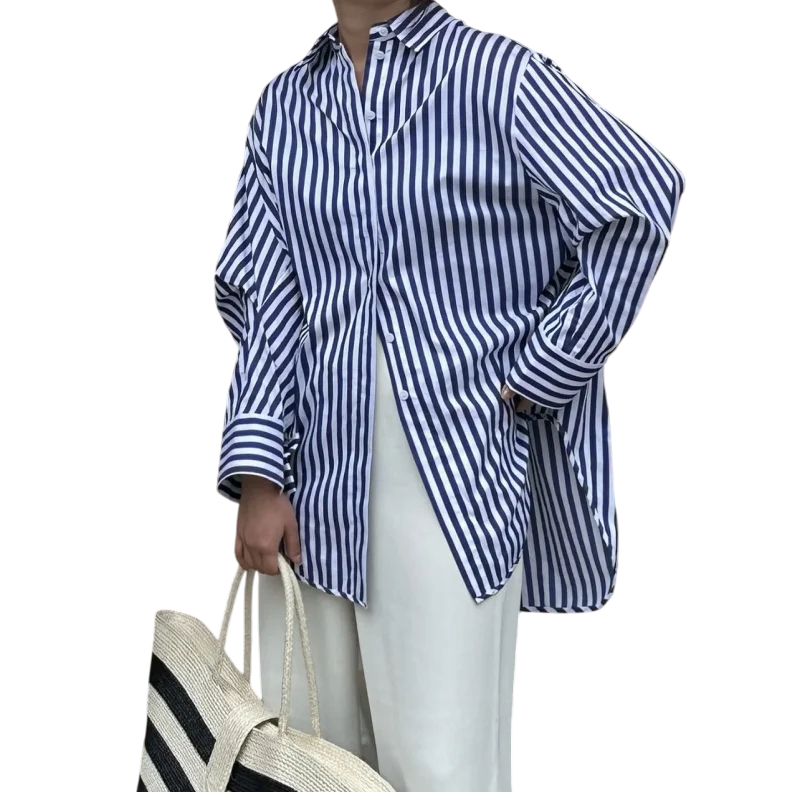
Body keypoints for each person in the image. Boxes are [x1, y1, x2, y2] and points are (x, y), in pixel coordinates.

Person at [213, 1, 685, 789]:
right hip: (311, 479)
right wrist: (259, 475)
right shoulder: (286, 107)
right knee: (306, 757)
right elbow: (268, 297)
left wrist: (546, 366)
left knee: (439, 766)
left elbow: (638, 201)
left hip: (450, 472)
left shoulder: (500, 79)